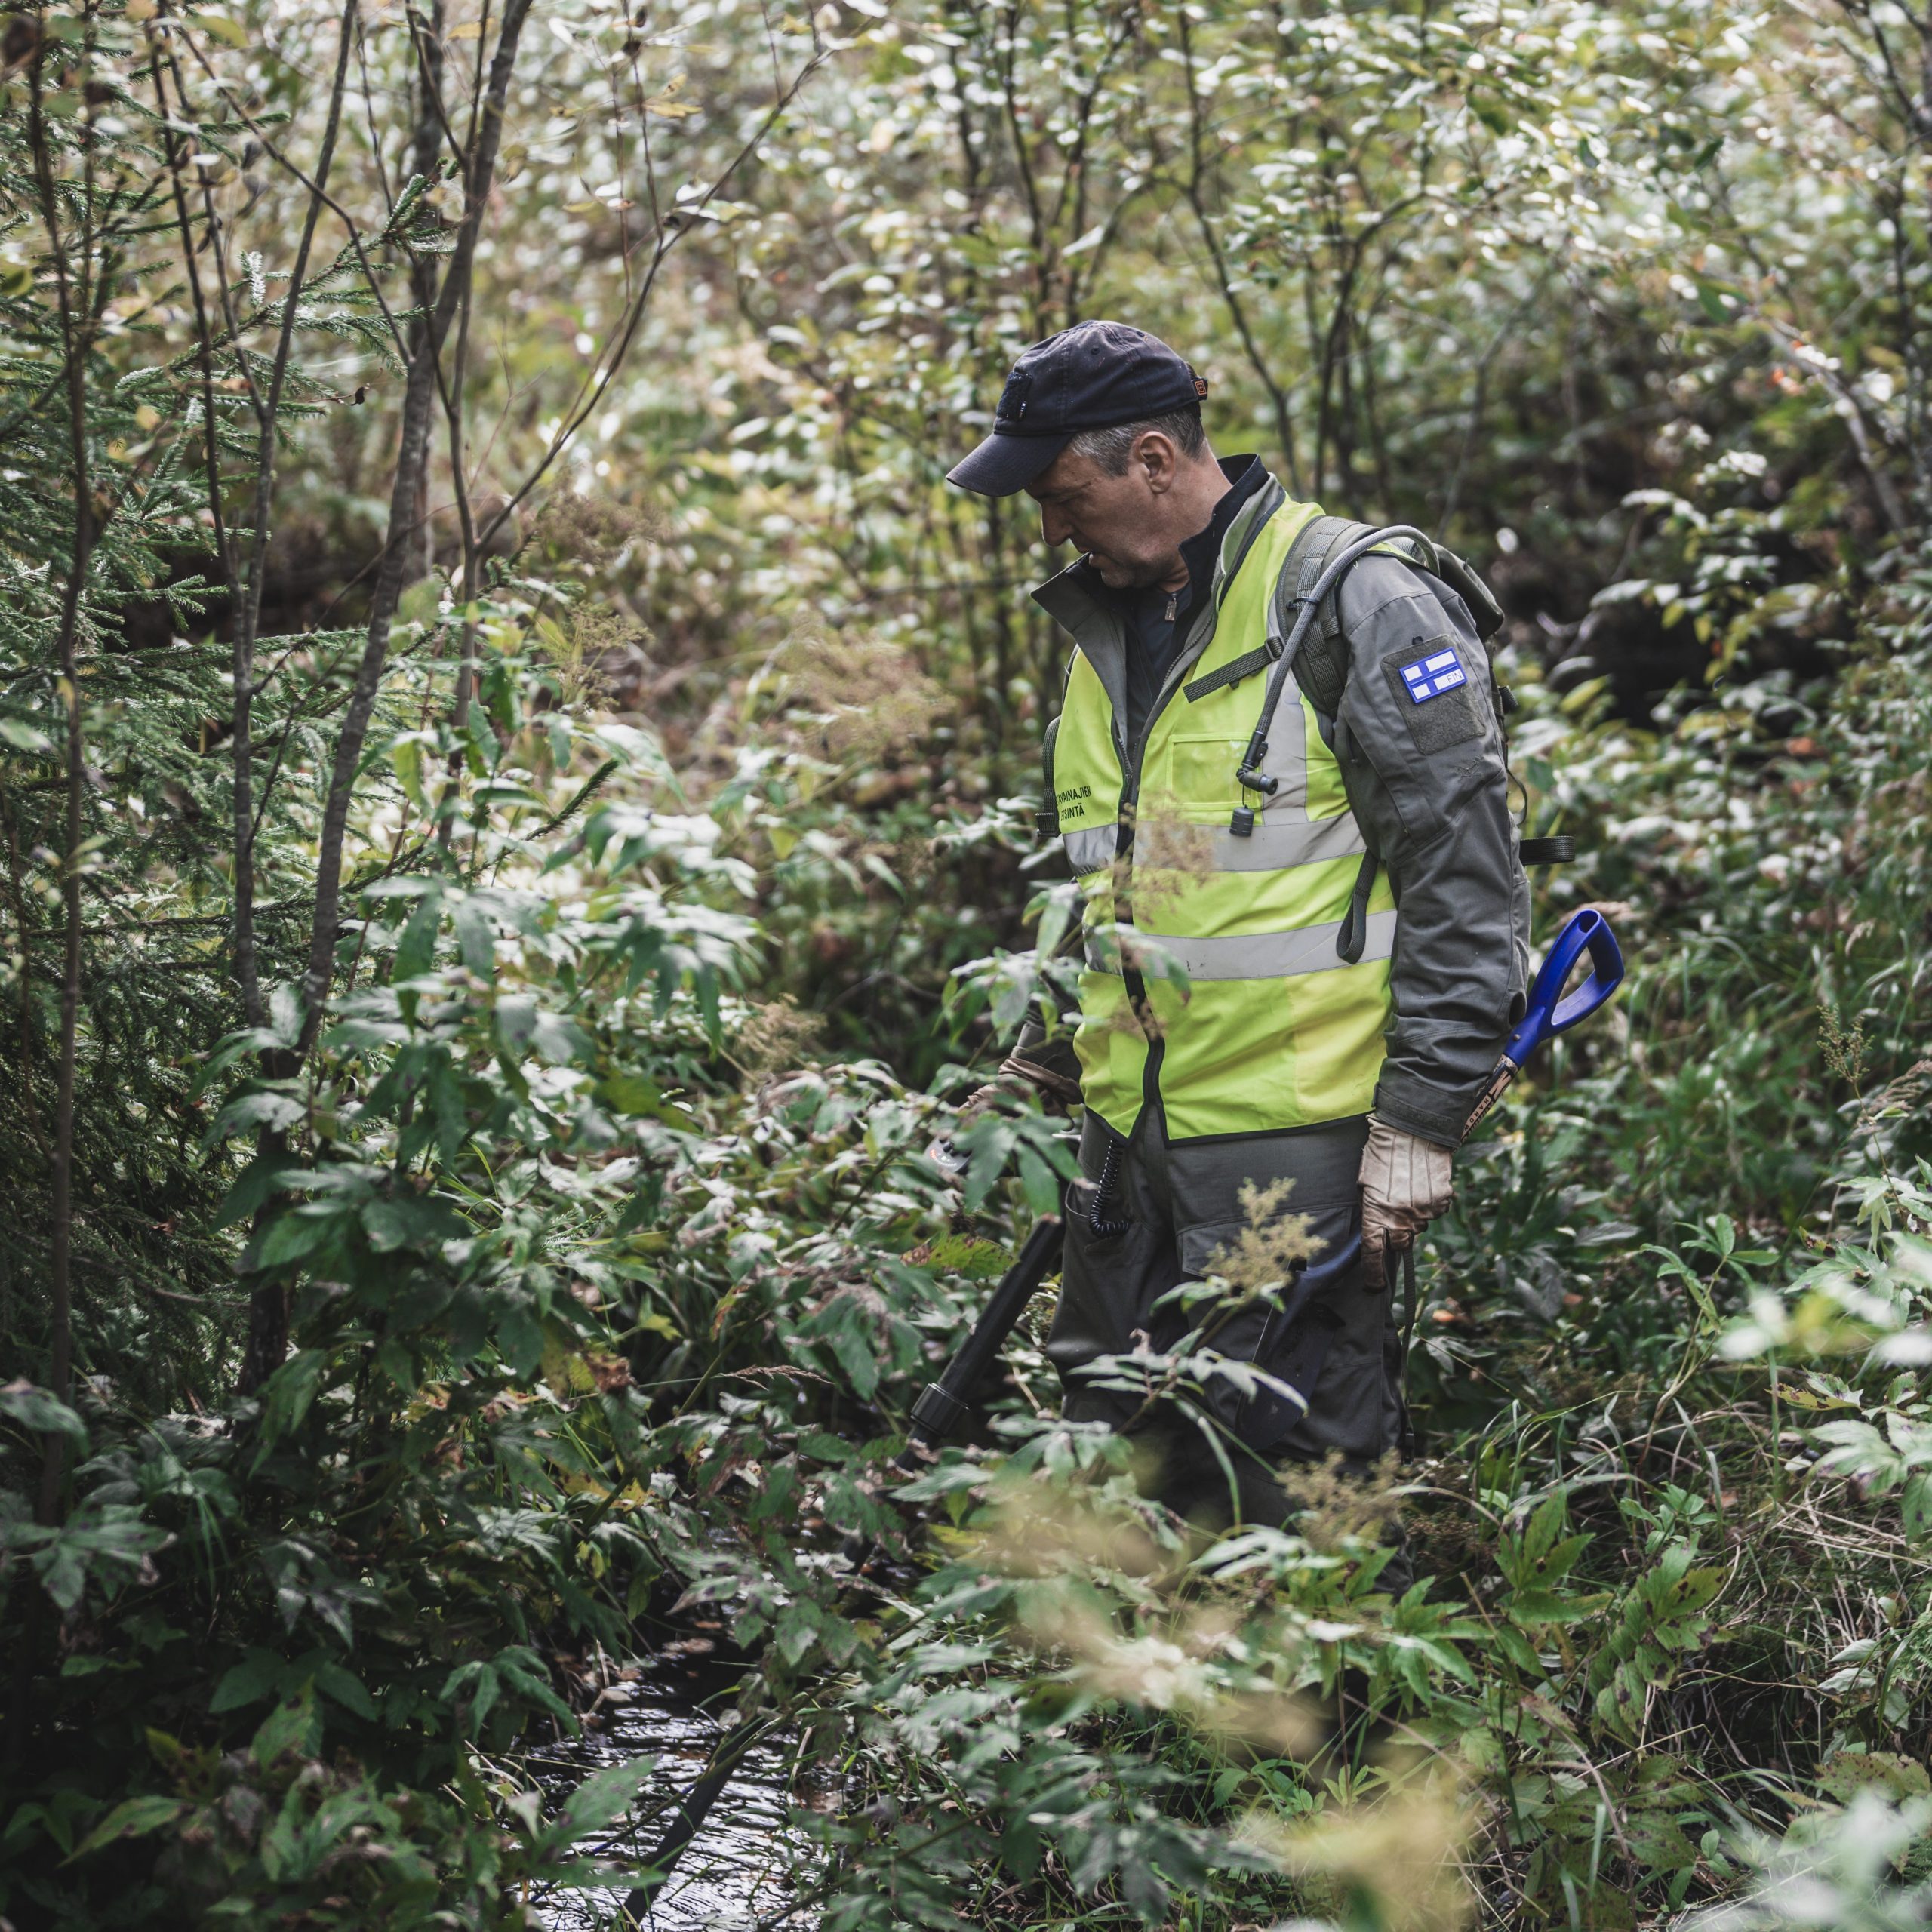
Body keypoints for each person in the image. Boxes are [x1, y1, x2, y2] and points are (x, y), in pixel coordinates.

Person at [946, 320, 1529, 1549]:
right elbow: (1136, 875)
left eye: (1065, 494)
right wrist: (1052, 1051)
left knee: (1288, 1476)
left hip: (1291, 1143)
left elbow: (1466, 877)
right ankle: (1164, 1726)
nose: (1053, 528)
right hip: (1128, 1141)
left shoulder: (1357, 602)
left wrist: (1422, 1117)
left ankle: (1318, 1739)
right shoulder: (1108, 625)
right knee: (1130, 1446)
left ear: (1155, 459)